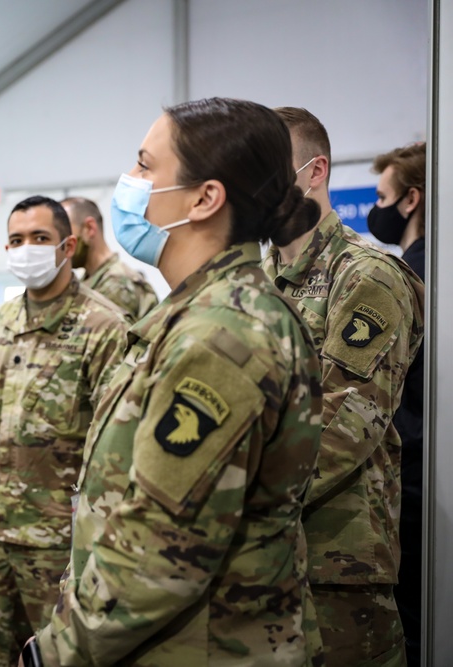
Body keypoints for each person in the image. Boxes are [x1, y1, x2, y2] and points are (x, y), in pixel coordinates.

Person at [25, 98, 325, 666]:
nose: (130, 183)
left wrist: (56, 651)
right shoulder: (195, 314)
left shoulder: (221, 334)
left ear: (205, 198)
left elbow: (160, 547)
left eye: (144, 167)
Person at [264, 107, 425, 667]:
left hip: (335, 569)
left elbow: (345, 424)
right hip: (259, 565)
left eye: (267, 167)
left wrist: (233, 503)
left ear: (315, 171)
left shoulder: (365, 276)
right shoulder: (253, 282)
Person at [0, 195, 129, 665]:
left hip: (60, 547)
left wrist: (103, 546)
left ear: (68, 246)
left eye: (40, 238)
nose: (26, 248)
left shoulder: (103, 328)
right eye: (16, 240)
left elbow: (117, 449)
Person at [369, 141, 427, 667]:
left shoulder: (414, 273)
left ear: (410, 201)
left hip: (414, 474)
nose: (377, 209)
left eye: (383, 196)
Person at [62, 196, 158, 321]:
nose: (62, 244)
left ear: (89, 228)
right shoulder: (92, 279)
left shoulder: (116, 286)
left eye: (65, 233)